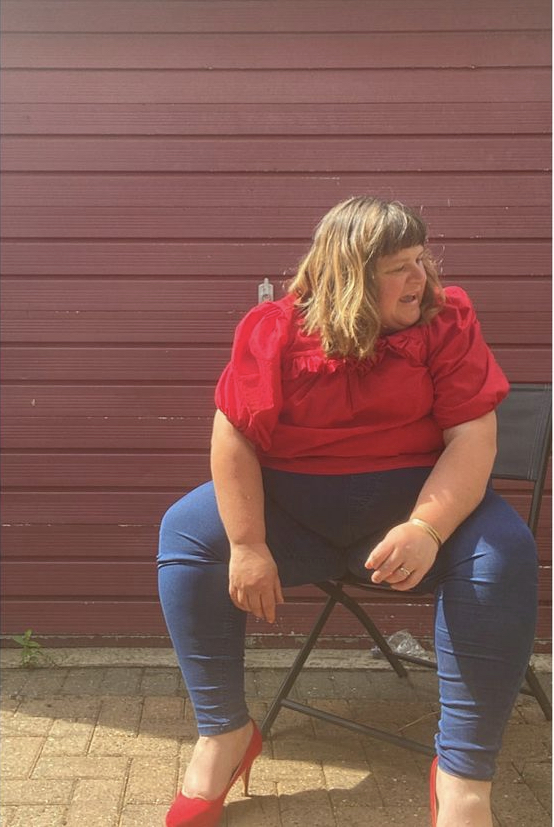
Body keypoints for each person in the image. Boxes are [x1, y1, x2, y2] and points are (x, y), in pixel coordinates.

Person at [157, 196, 538, 827]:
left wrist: (427, 527)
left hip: (412, 515)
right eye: (398, 267)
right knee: (189, 535)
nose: (421, 278)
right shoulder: (273, 328)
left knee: (504, 555)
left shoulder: (447, 321)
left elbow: (473, 436)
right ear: (349, 276)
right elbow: (234, 435)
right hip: (294, 514)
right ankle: (224, 732)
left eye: (421, 258)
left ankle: (464, 775)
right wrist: (248, 544)